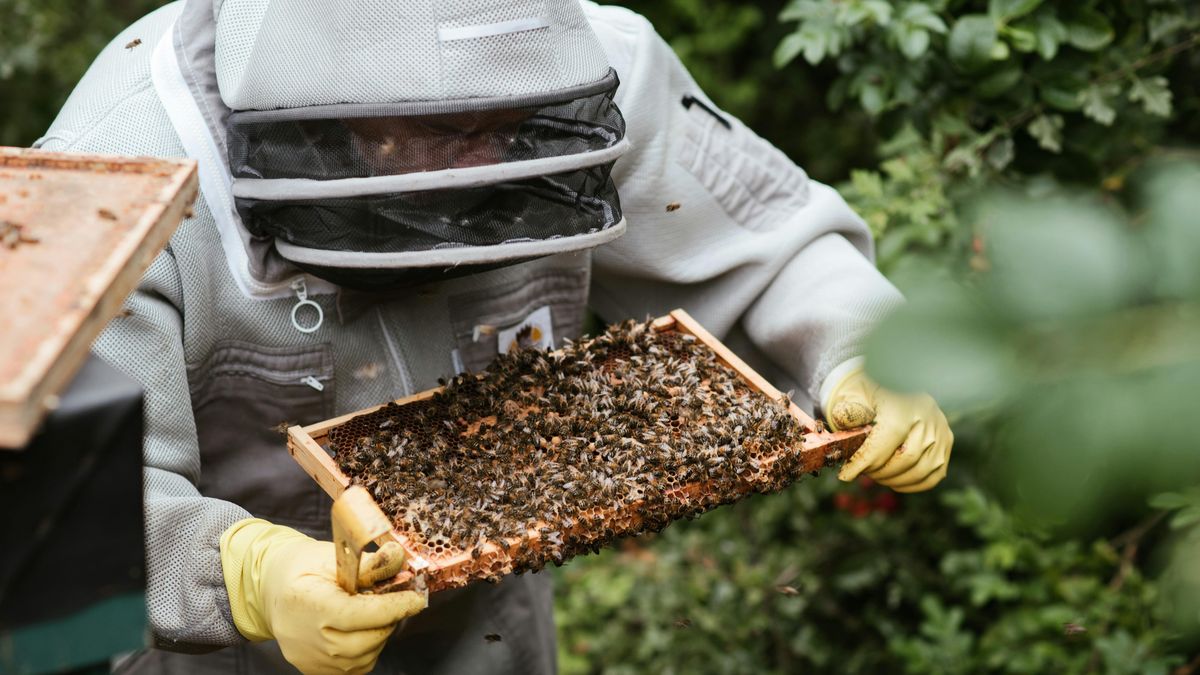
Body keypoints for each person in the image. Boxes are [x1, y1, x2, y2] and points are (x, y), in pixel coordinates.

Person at [36, 0, 952, 672]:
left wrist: (865, 346)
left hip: (487, 638)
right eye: (431, 130)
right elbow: (55, 499)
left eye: (497, 126)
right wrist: (237, 571)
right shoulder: (116, 172)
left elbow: (766, 244)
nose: (476, 162)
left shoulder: (592, 70)